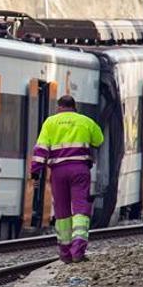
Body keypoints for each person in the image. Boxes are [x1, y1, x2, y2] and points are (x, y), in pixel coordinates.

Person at [30, 95, 104, 263]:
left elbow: (40, 150)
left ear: (59, 107)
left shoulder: (50, 122)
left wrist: (35, 173)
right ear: (74, 107)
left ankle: (65, 252)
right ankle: (78, 247)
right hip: (80, 170)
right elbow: (99, 140)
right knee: (80, 207)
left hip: (58, 172)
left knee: (62, 211)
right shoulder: (85, 121)